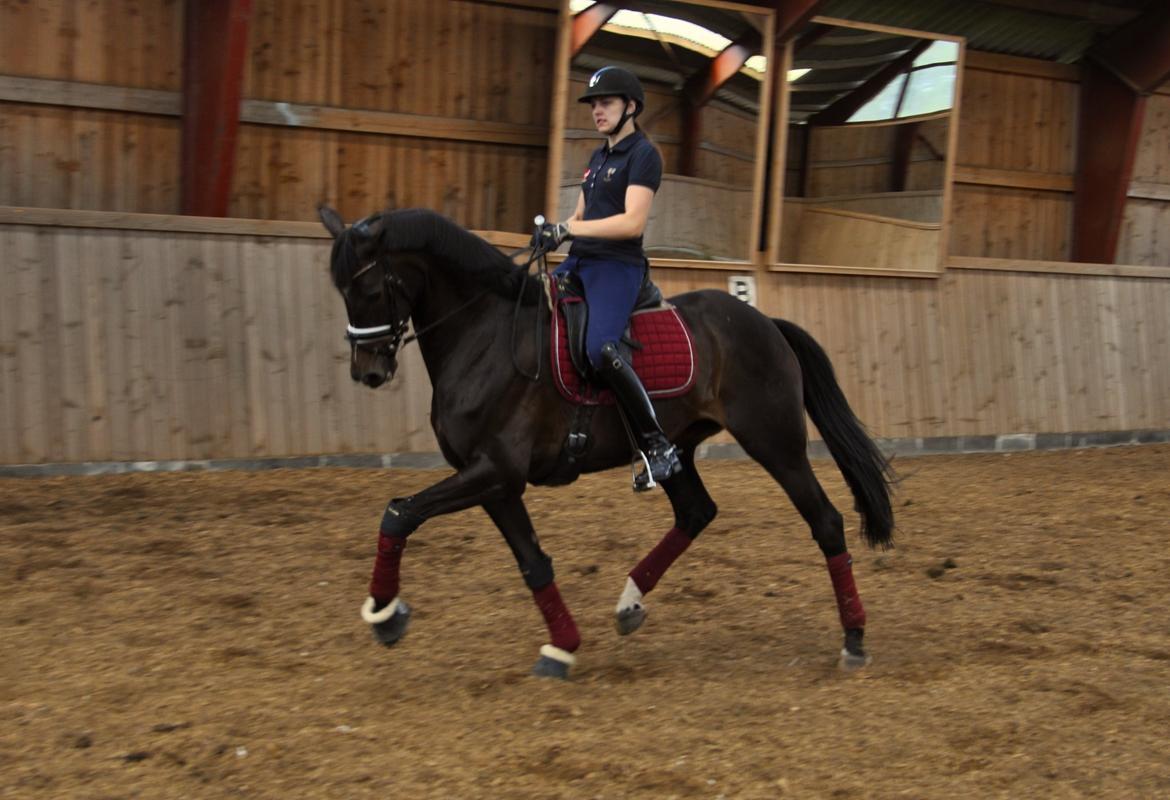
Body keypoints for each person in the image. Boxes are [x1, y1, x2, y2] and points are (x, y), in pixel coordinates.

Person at [540, 65, 681, 491]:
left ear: (631, 107)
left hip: (616, 267)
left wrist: (570, 231)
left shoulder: (643, 156)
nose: (597, 111)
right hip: (581, 261)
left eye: (606, 103)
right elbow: (581, 216)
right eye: (594, 105)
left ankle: (658, 446)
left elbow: (631, 223)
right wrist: (554, 232)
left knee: (602, 349)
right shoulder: (597, 157)